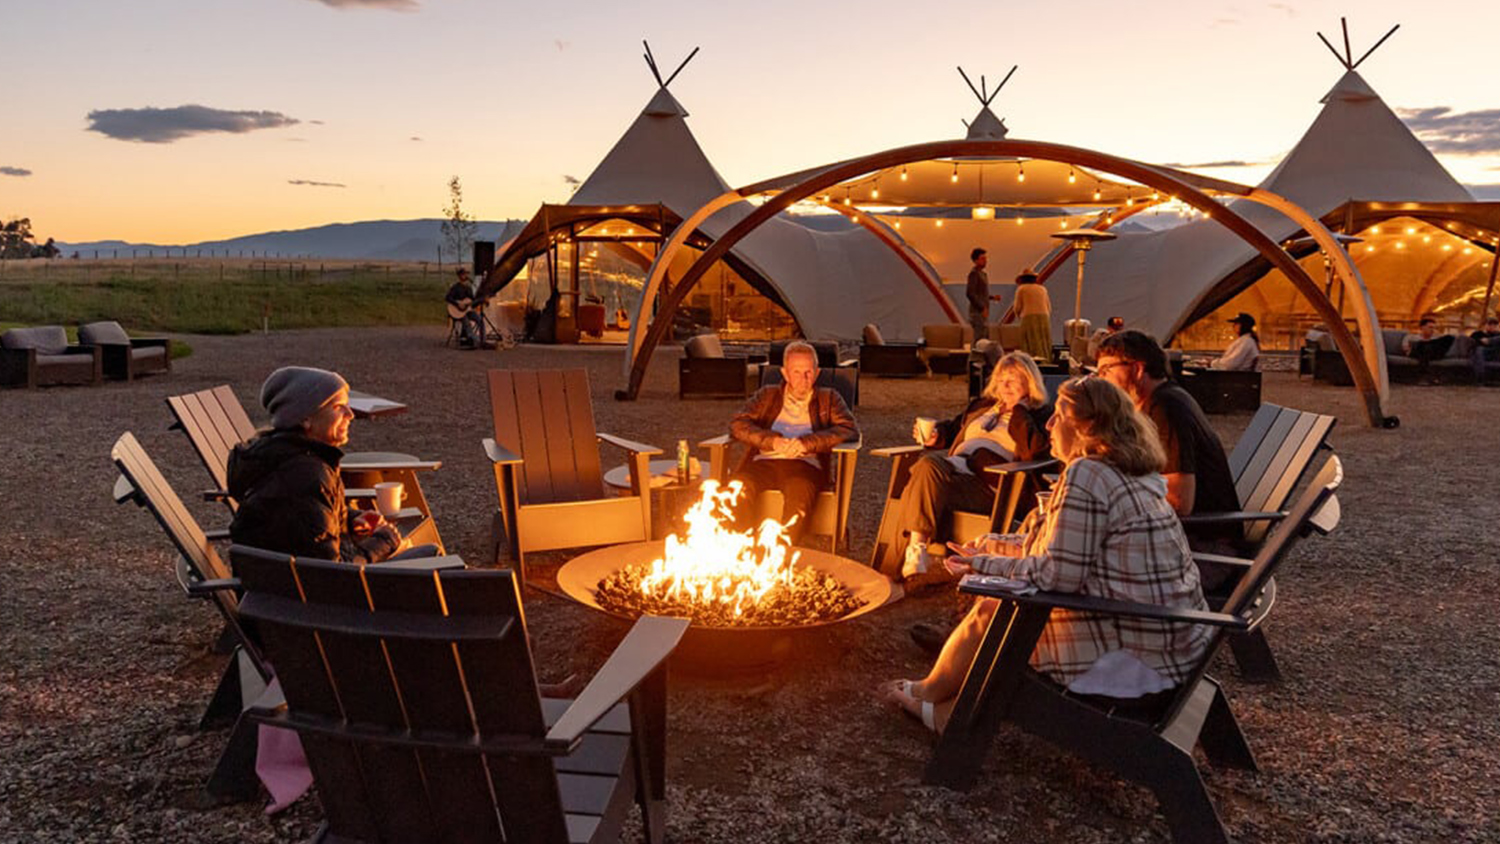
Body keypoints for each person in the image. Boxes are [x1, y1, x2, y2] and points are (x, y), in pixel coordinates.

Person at [880, 377, 1211, 732]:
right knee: (999, 599)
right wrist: (989, 546)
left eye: (1059, 415)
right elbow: (1064, 551)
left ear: (1087, 427)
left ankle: (934, 700)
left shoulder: (1088, 473)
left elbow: (1058, 576)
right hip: (1168, 646)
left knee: (995, 608)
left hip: (1132, 661)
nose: (1049, 425)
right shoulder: (1130, 470)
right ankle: (939, 699)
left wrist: (980, 565)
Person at [228, 366, 434, 564]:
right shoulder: (306, 475)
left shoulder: (281, 458)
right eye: (338, 407)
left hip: (279, 585)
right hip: (309, 595)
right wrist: (384, 541)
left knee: (425, 554)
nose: (350, 414)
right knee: (430, 555)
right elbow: (331, 572)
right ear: (305, 419)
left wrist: (348, 518)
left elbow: (305, 519)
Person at [896, 351, 1053, 581]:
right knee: (924, 473)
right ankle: (912, 559)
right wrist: (936, 436)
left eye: (1012, 379)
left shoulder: (1040, 414)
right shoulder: (983, 406)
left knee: (924, 470)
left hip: (994, 487)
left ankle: (904, 562)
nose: (1004, 385)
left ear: (1030, 382)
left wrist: (1019, 409)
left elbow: (1035, 450)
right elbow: (953, 429)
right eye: (1000, 380)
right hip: (956, 471)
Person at [1094, 330, 1240, 552]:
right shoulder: (1166, 399)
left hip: (1203, 547)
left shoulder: (1165, 409)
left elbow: (1180, 501)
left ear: (1137, 368)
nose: (1101, 380)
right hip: (1189, 536)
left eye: (1106, 370)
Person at [729, 341, 858, 546]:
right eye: (796, 372)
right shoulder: (767, 395)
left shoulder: (829, 398)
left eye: (808, 372)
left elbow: (849, 430)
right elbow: (738, 425)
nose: (803, 379)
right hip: (764, 462)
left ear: (816, 373)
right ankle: (744, 551)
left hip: (805, 465)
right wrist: (772, 441)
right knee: (738, 488)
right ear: (785, 373)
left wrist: (807, 444)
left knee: (800, 490)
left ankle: (782, 554)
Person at [1012, 268, 1053, 363]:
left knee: (1030, 341)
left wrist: (1019, 316)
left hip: (1028, 317)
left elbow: (1017, 307)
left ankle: (1031, 363)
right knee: (1043, 341)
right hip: (1044, 318)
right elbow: (1049, 307)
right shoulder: (1042, 289)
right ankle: (1046, 362)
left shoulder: (1021, 289)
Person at [445, 267, 488, 349]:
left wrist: (482, 300)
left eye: (466, 274)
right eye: (463, 274)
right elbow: (447, 298)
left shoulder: (468, 288)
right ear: (459, 276)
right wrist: (457, 303)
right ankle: (474, 340)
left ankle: (483, 341)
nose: (465, 276)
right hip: (457, 312)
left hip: (467, 311)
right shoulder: (455, 287)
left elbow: (472, 302)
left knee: (480, 320)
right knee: (467, 323)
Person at [966, 248, 1002, 343]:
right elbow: (970, 293)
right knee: (980, 340)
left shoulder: (983, 274)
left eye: (985, 258)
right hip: (977, 313)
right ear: (975, 260)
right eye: (982, 259)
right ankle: (975, 357)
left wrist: (992, 297)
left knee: (985, 338)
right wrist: (982, 308)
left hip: (983, 313)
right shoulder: (973, 274)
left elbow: (981, 293)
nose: (985, 261)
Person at [1471, 315, 1500, 384]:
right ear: (1484, 325)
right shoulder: (1478, 334)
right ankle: (1480, 377)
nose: (1492, 326)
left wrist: (1489, 341)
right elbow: (1473, 343)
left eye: (1495, 325)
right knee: (1479, 350)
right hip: (1480, 355)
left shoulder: (1498, 335)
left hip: (1495, 353)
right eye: (1490, 324)